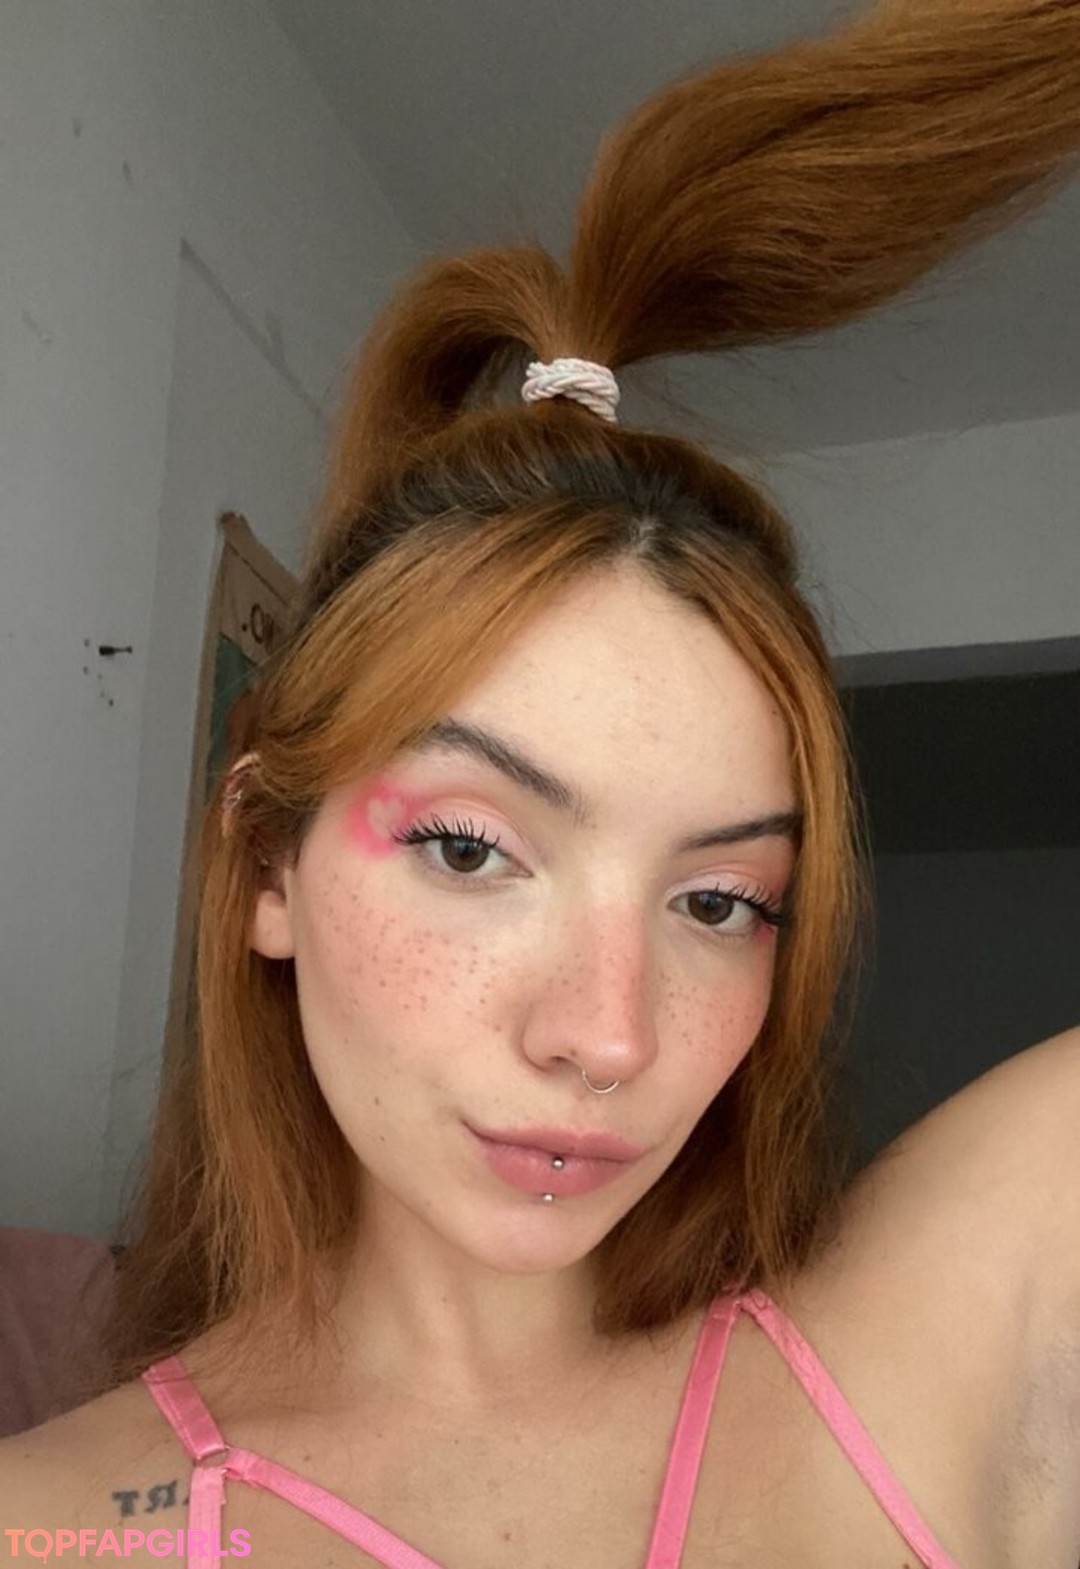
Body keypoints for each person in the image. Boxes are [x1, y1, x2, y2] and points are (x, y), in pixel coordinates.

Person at [3, 0, 1079, 1564]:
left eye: (720, 899)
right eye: (469, 848)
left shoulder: (939, 1344)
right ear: (268, 864)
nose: (609, 1034)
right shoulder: (48, 1525)